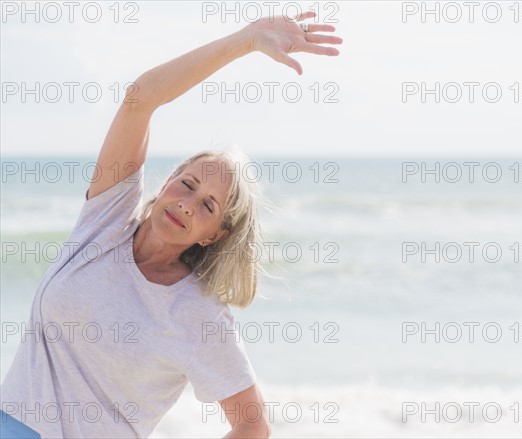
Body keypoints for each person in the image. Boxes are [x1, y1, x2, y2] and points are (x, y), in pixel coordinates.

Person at [0, 11, 342, 439]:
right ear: (165, 183)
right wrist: (246, 39)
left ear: (215, 234)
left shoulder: (198, 315)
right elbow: (140, 98)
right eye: (187, 185)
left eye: (208, 205)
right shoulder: (105, 222)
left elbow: (253, 427)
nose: (186, 205)